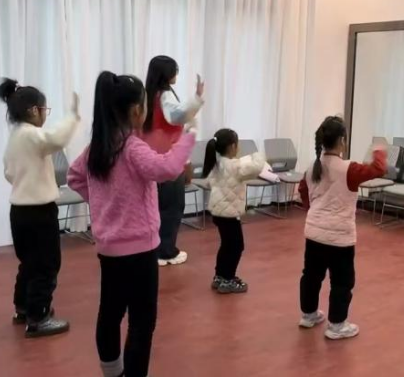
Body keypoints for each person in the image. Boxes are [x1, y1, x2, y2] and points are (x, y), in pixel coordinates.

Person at [68, 72, 196, 378]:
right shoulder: (131, 147)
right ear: (136, 110)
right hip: (139, 250)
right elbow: (167, 168)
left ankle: (112, 373)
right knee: (141, 320)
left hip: (109, 249)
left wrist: (102, 204)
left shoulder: (96, 148)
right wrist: (188, 136)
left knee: (110, 313)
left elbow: (74, 176)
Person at [0, 78, 80, 338]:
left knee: (29, 263)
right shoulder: (31, 135)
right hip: (39, 212)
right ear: (34, 110)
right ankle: (38, 317)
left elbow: (9, 173)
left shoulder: (15, 137)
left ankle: (23, 307)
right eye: (45, 110)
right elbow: (56, 139)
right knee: (46, 264)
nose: (45, 115)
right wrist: (73, 116)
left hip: (19, 212)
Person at [299, 116, 387, 340]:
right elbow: (378, 169)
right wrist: (378, 149)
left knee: (311, 276)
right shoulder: (349, 169)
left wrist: (314, 212)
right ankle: (337, 326)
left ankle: (308, 315)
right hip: (340, 238)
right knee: (341, 281)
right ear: (342, 141)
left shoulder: (311, 168)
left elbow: (303, 192)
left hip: (314, 233)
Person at [144, 55, 205, 267]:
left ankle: (154, 248)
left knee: (156, 207)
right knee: (172, 207)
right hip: (169, 158)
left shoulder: (148, 95)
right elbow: (177, 116)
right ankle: (165, 251)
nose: (176, 74)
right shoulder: (165, 94)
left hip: (152, 157)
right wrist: (197, 98)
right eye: (174, 70)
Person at [202, 129, 265, 294]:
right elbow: (256, 167)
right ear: (232, 146)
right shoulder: (235, 166)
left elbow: (209, 182)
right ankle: (228, 279)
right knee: (237, 246)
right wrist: (258, 155)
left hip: (218, 212)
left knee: (226, 245)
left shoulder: (217, 163)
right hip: (229, 214)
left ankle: (220, 276)